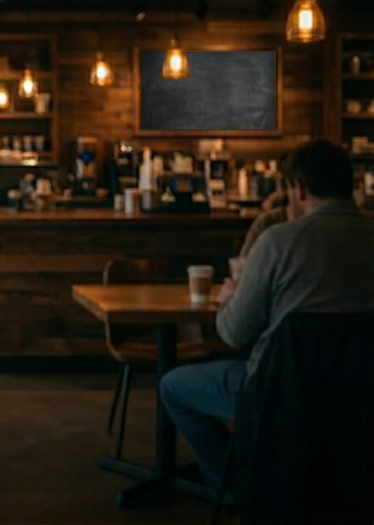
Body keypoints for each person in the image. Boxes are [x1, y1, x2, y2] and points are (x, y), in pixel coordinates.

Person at [159, 139, 374, 492]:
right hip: (361, 395)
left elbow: (232, 333)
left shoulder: (278, 241)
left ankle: (233, 487)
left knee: (172, 386)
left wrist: (229, 297)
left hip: (279, 393)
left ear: (298, 187)